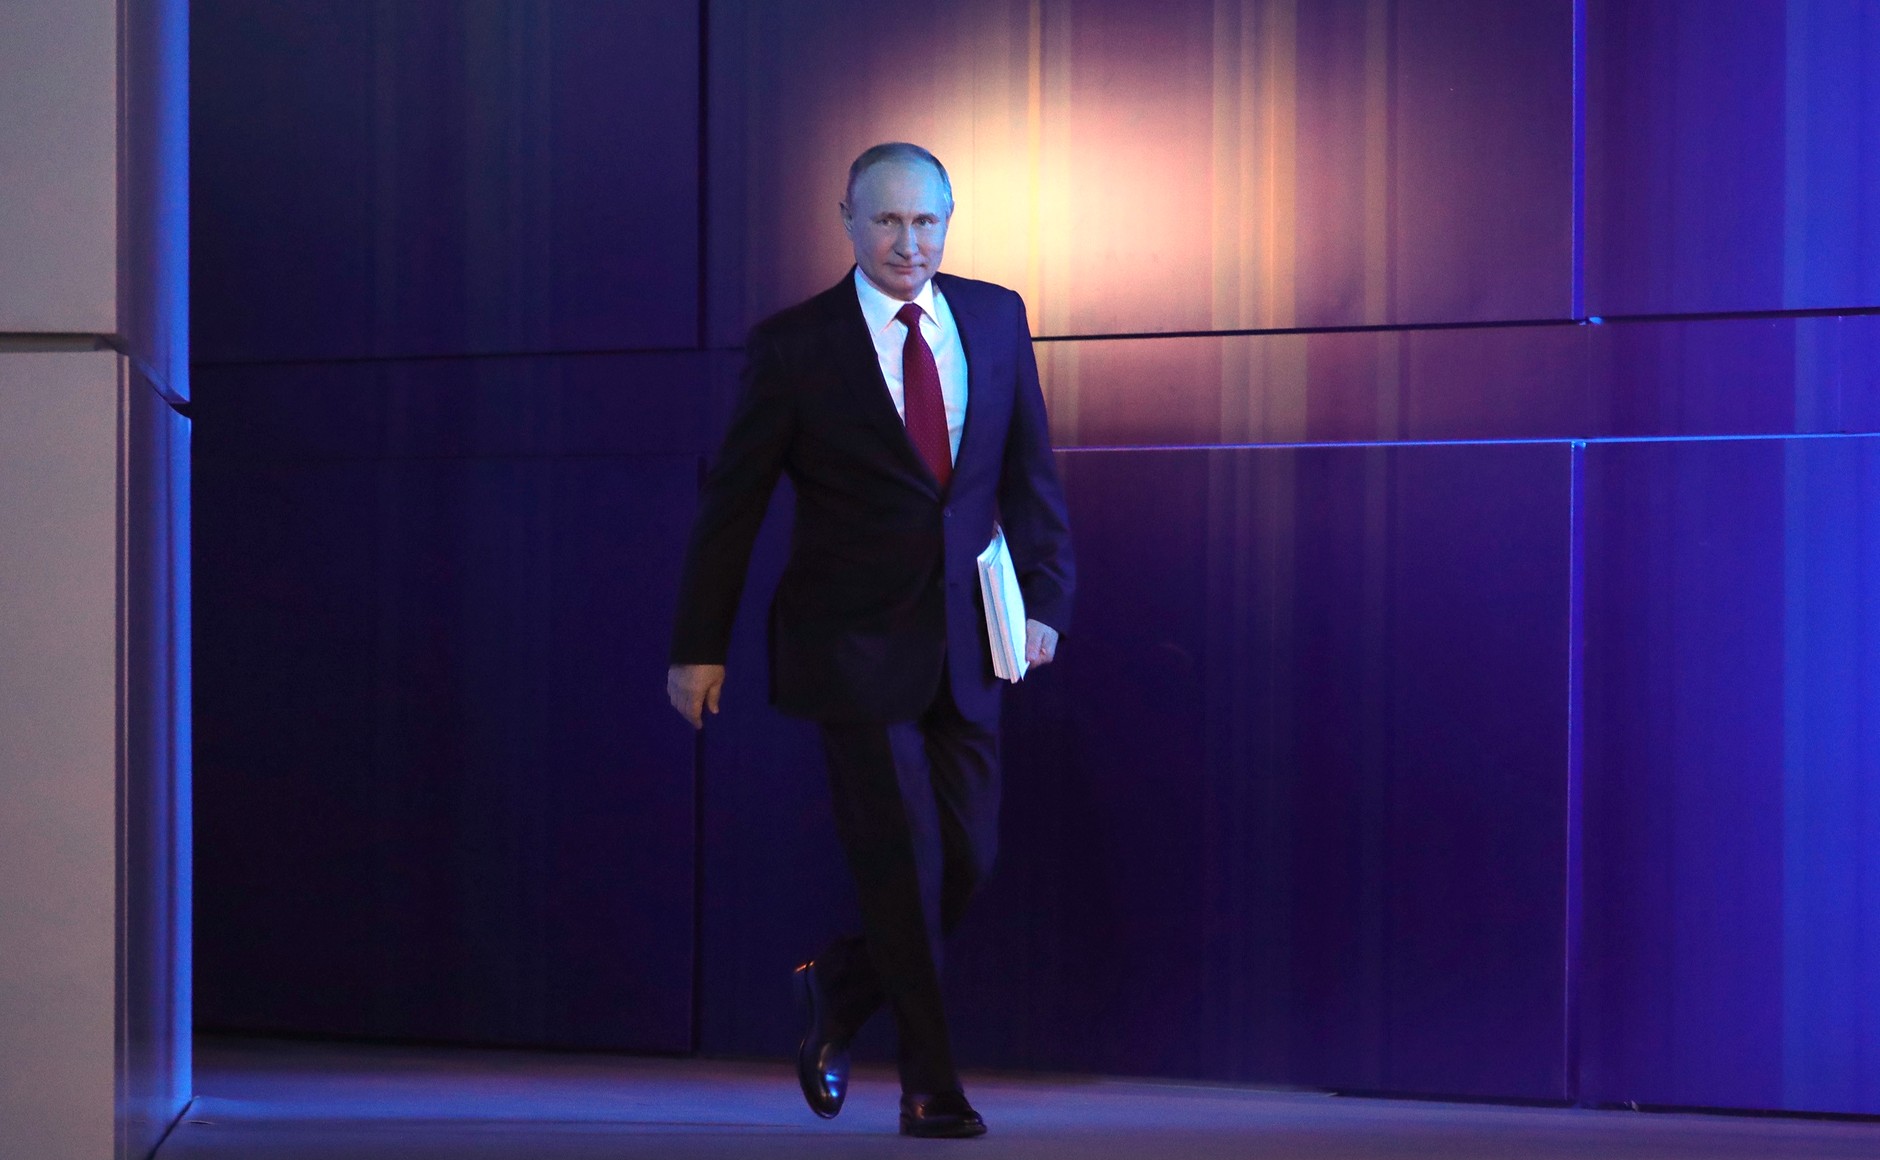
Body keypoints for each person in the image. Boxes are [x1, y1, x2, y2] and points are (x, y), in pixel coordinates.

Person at [665, 142, 1074, 1138]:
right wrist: (698, 645)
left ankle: (842, 985)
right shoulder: (795, 346)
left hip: (972, 642)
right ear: (846, 219)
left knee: (966, 859)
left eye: (926, 221)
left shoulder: (995, 316)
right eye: (887, 220)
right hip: (850, 649)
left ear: (948, 220)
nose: (908, 242)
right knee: (901, 867)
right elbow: (732, 507)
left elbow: (1030, 473)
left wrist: (1045, 599)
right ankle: (931, 1086)